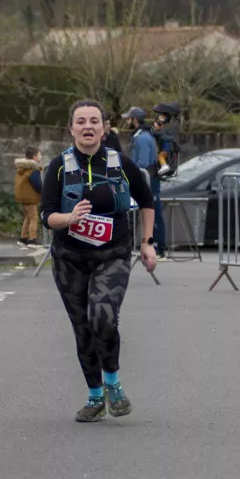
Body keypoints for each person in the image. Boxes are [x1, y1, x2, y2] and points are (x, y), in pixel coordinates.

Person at [40, 100, 156, 423]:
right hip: (69, 258)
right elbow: (46, 215)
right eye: (81, 121)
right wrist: (69, 218)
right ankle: (95, 397)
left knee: (102, 316)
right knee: (83, 327)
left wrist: (147, 243)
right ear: (71, 129)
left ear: (105, 128)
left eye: (94, 121)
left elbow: (146, 200)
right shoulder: (59, 166)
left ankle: (113, 383)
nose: (87, 126)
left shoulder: (121, 163)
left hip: (112, 254)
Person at [126, 105, 165, 253]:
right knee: (150, 212)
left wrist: (130, 173)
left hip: (149, 180)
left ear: (135, 120)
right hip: (147, 179)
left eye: (129, 119)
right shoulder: (141, 135)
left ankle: (159, 248)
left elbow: (142, 163)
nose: (127, 121)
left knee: (153, 213)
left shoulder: (142, 138)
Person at [14, 145, 44, 247]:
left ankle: (23, 238)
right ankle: (32, 239)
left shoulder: (22, 168)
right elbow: (37, 184)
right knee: (34, 218)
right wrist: (42, 191)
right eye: (39, 154)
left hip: (23, 197)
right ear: (34, 157)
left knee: (28, 217)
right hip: (31, 197)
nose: (41, 157)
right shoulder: (33, 168)